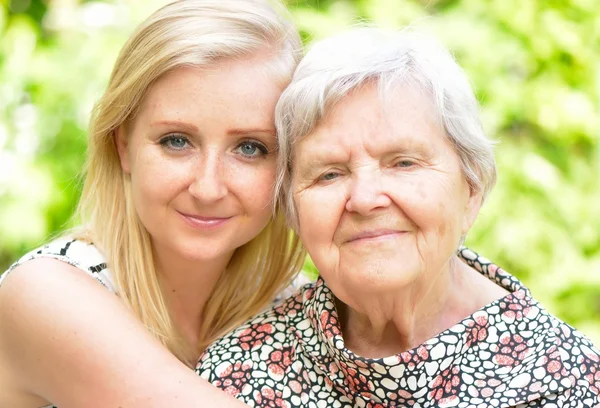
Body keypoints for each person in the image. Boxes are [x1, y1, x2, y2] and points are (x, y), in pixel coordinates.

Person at [197, 28, 600, 407]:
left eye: (403, 163)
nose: (365, 199)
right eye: (329, 173)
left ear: (472, 189)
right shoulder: (240, 370)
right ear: (292, 210)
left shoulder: (567, 382)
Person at [0, 0, 307, 406]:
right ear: (123, 144)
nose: (208, 187)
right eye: (176, 141)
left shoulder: (294, 305)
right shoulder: (45, 293)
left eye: (250, 148)